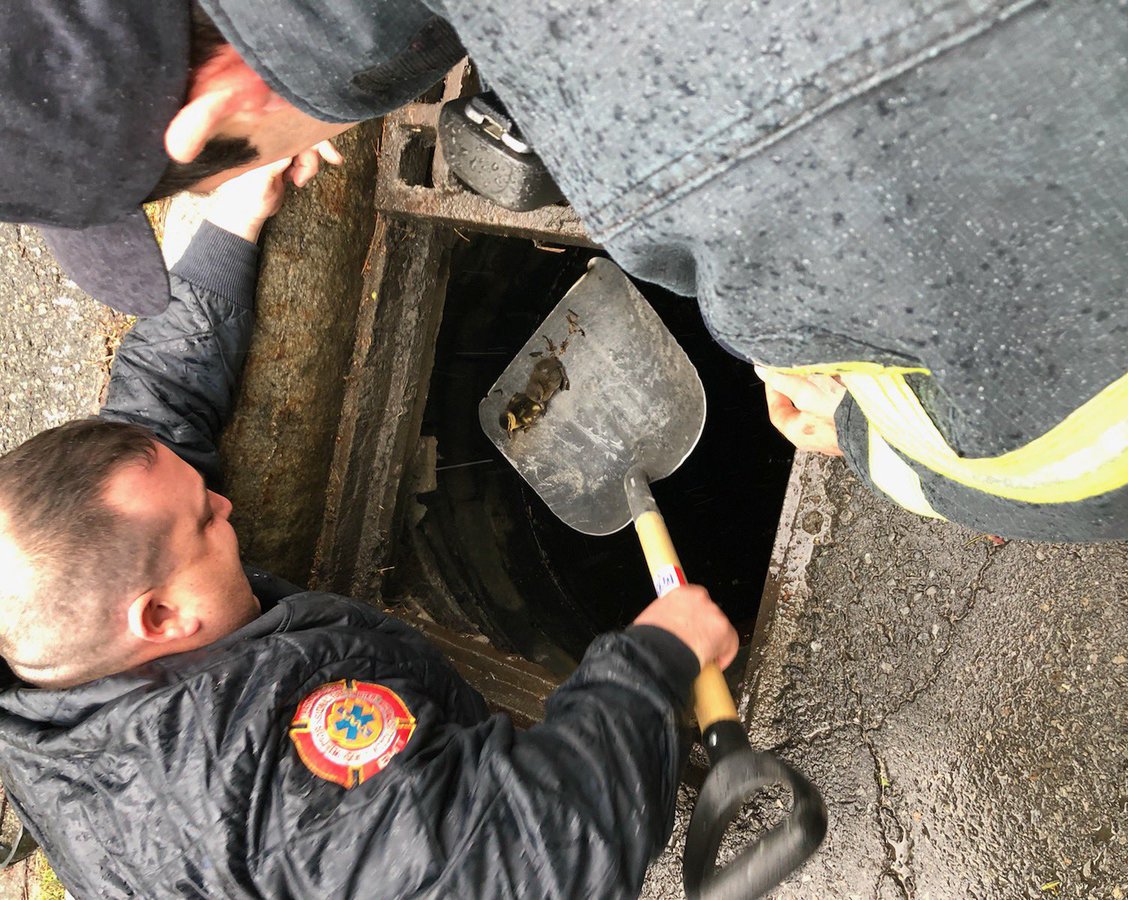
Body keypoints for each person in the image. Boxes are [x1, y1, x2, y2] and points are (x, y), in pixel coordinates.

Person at [3, 0, 1128, 543]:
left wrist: (863, 435)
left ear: (220, 100)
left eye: (215, 165)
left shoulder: (683, 153)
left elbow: (1082, 448)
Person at [0, 160, 739, 898]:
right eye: (204, 521)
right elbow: (529, 860)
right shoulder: (259, 796)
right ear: (160, 616)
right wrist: (655, 662)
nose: (225, 506)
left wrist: (231, 222)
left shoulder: (49, 641)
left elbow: (155, 409)